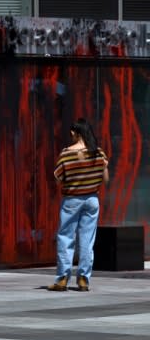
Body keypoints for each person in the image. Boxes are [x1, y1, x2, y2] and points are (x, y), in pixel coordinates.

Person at [47, 118, 109, 292]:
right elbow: (106, 179)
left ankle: (62, 279)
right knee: (87, 240)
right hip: (92, 200)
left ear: (75, 133)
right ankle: (83, 279)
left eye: (71, 133)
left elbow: (57, 178)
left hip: (72, 200)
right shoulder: (99, 153)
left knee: (66, 237)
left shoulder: (66, 154)